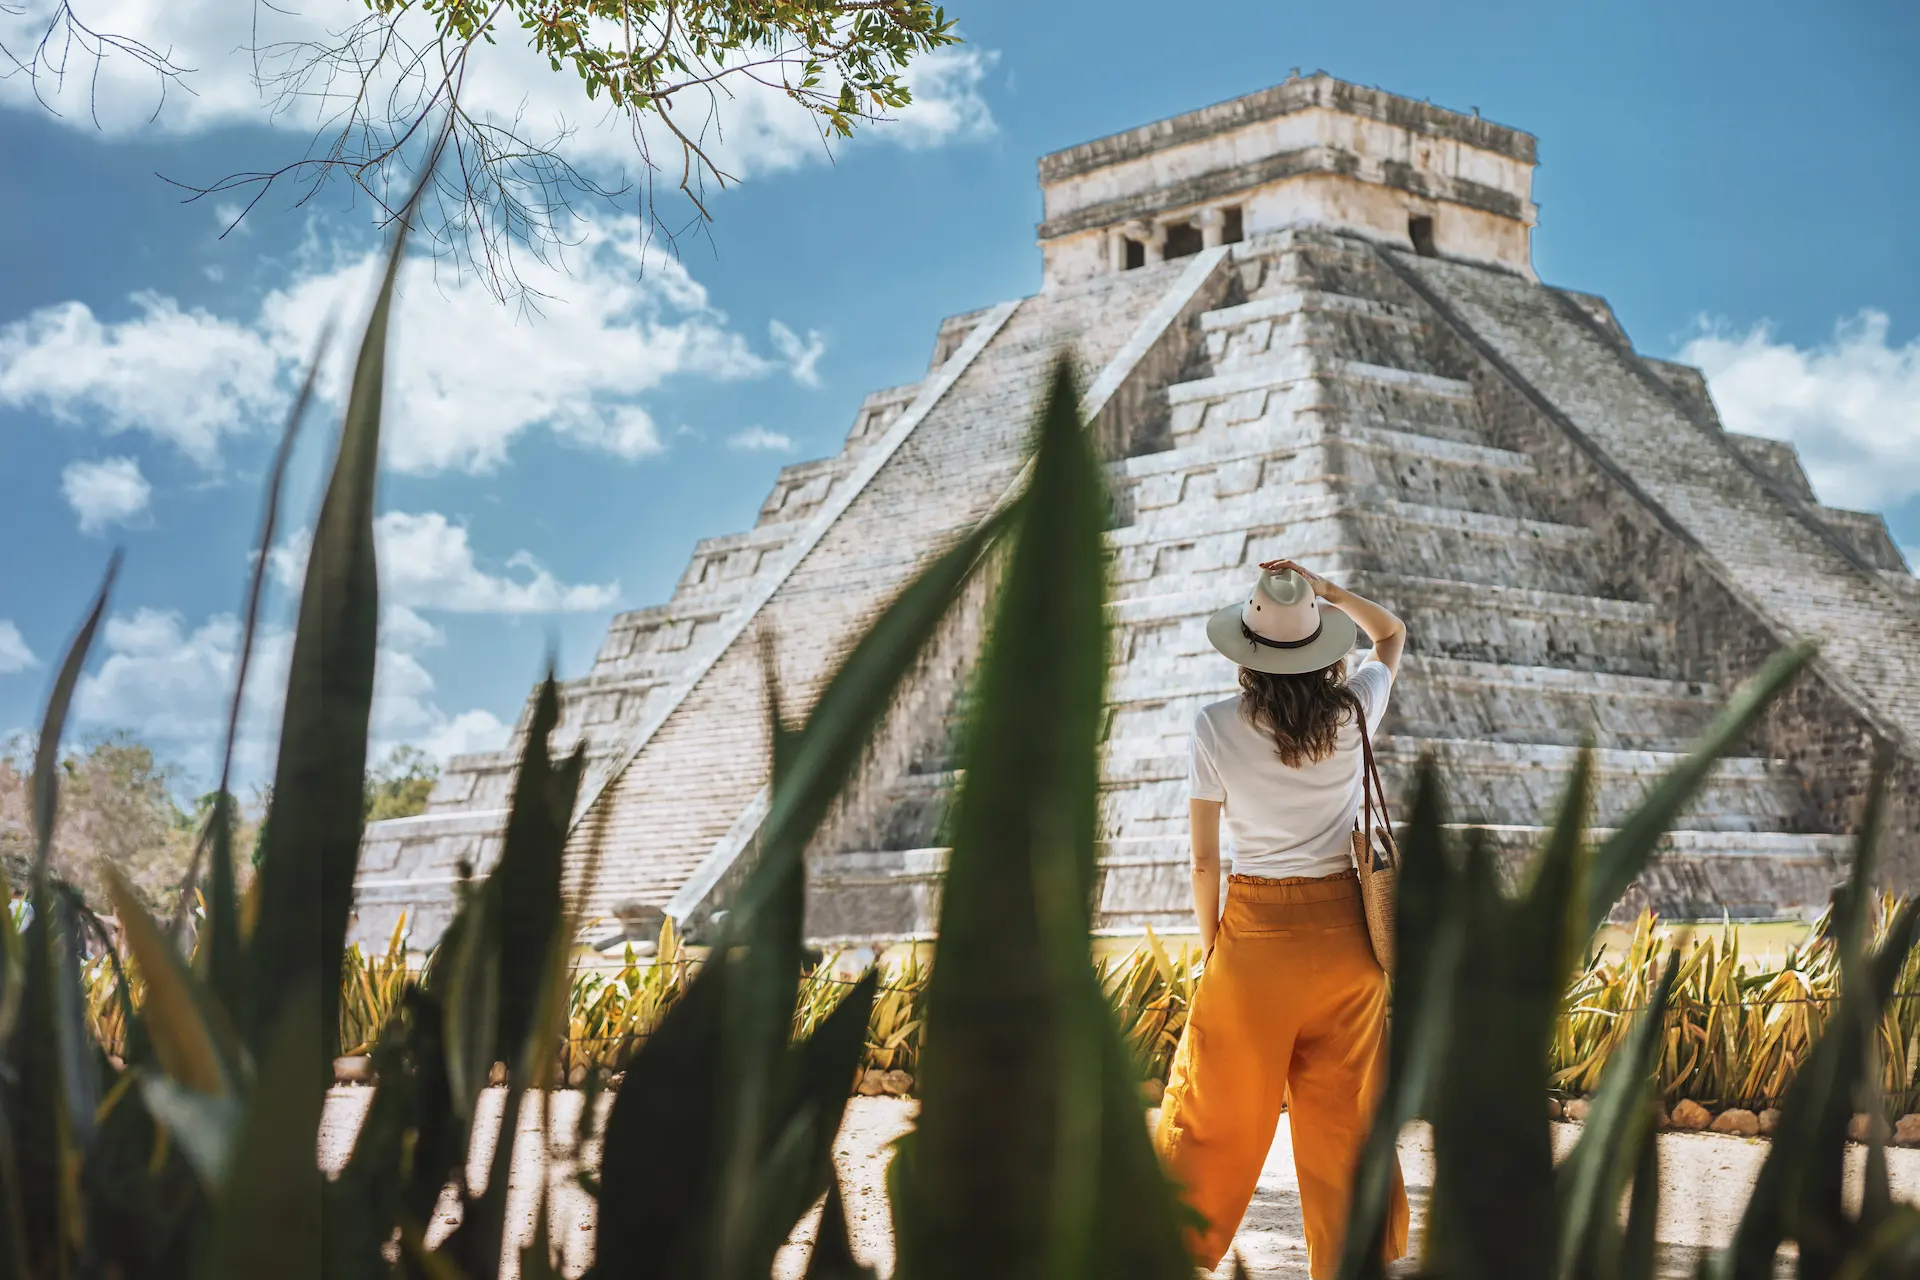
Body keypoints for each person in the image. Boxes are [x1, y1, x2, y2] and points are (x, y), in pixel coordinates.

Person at [1153, 558, 1411, 1276]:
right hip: (1347, 947)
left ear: (1248, 652)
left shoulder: (1213, 726)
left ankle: (1165, 1245)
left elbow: (1205, 862)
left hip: (1254, 943)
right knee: (1345, 1123)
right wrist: (1329, 593)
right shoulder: (1357, 708)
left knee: (1213, 1111)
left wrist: (1217, 948)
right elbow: (1390, 634)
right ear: (1323, 648)